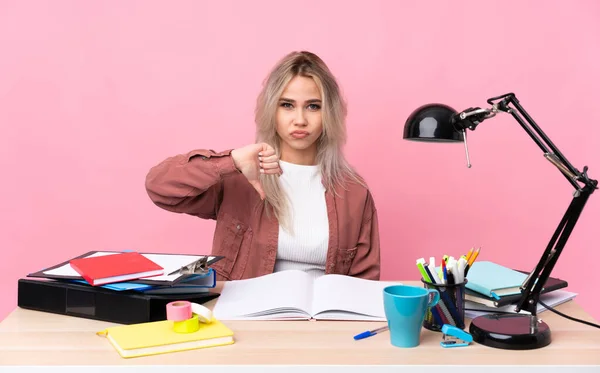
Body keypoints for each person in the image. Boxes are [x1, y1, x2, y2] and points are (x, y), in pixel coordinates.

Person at [145, 51, 380, 281]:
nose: (300, 119)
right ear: (271, 109)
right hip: (246, 317)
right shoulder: (241, 177)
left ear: (329, 113)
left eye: (313, 106)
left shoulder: (354, 193)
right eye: (287, 105)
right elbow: (160, 188)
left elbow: (363, 285)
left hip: (323, 318)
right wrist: (232, 161)